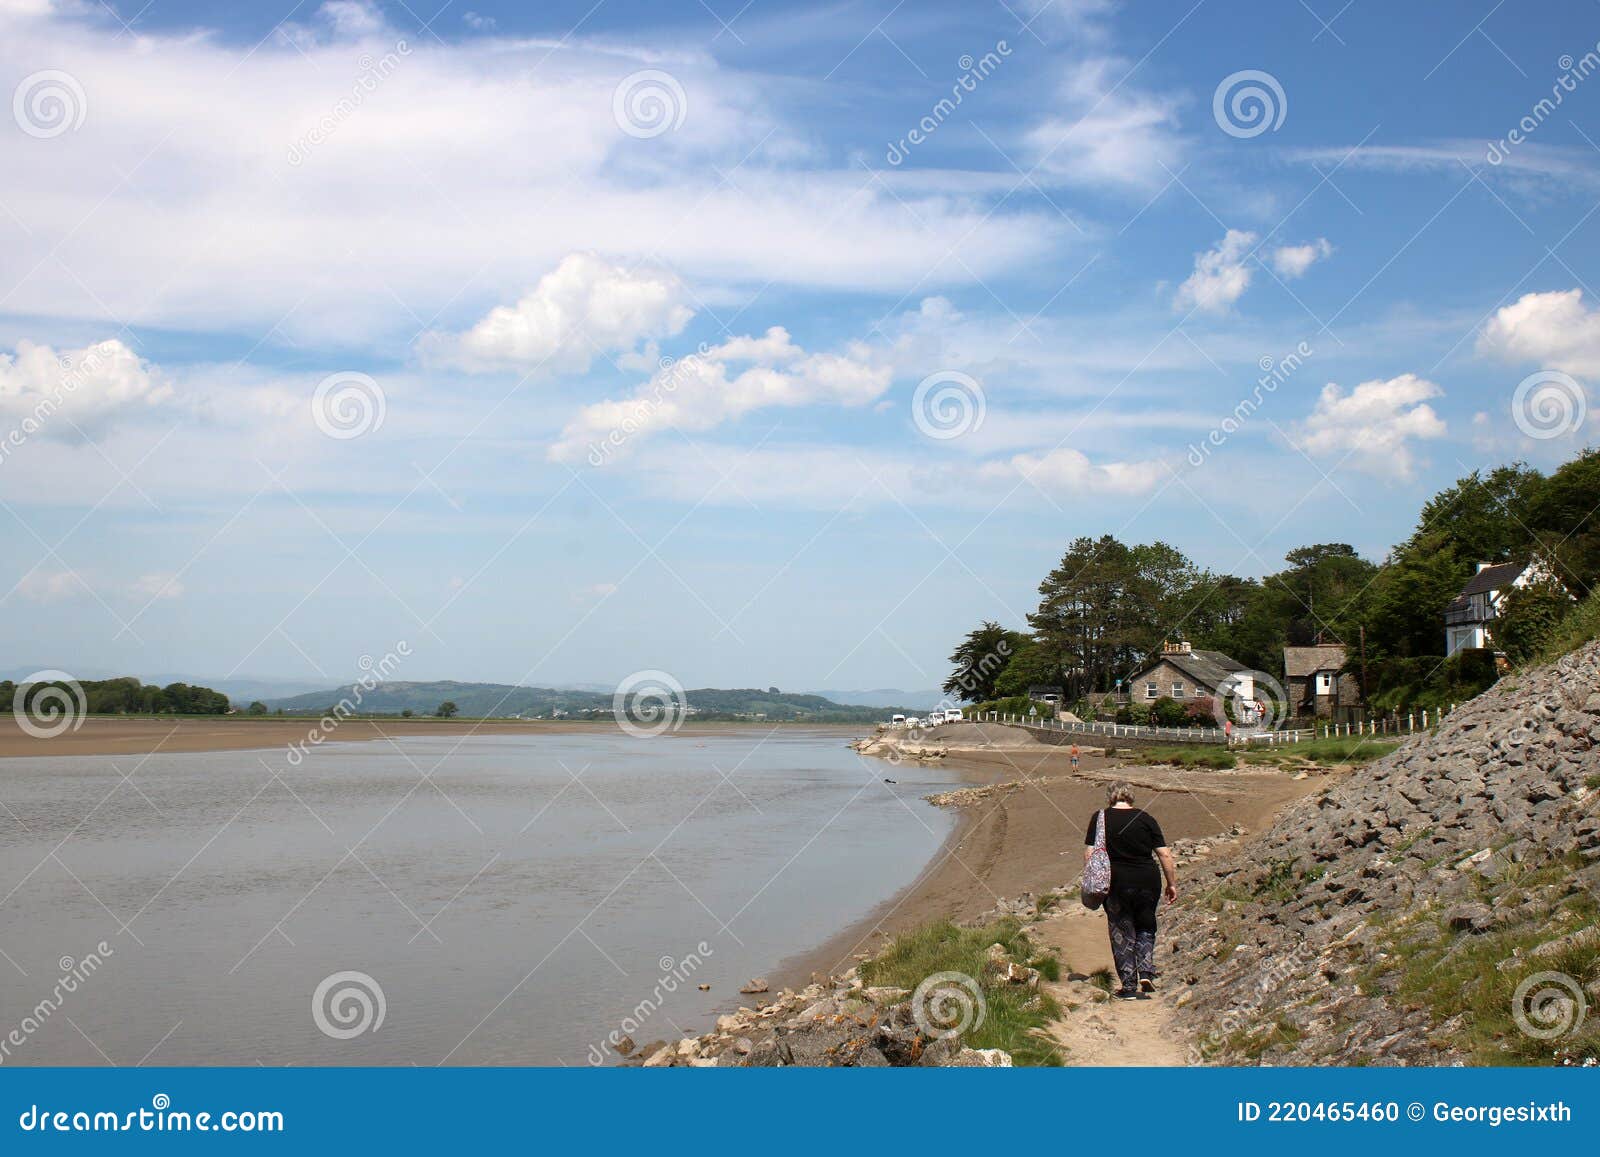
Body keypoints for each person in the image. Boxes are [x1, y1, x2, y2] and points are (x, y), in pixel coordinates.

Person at [1084, 782, 1178, 1000]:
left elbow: (1089, 854)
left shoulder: (1100, 818)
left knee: (1121, 931)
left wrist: (1092, 880)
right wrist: (1171, 883)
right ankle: (1146, 970)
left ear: (1111, 797)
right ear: (1131, 797)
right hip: (1148, 880)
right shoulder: (1146, 819)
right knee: (1146, 924)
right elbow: (1164, 854)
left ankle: (1128, 986)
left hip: (1115, 883)